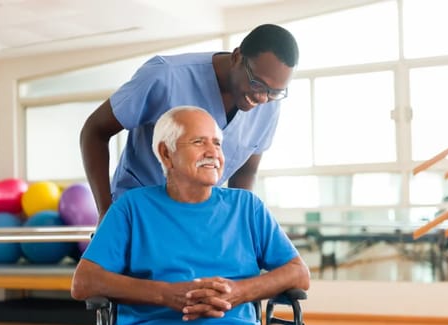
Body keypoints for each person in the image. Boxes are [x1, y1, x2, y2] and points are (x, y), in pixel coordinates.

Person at [71, 105, 310, 325]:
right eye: (199, 142)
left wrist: (240, 292)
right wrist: (165, 294)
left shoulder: (247, 207)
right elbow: (84, 282)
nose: (213, 152)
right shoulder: (131, 208)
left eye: (217, 143)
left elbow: (298, 273)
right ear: (166, 153)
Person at [80, 24, 299, 222]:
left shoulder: (269, 104)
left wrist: (238, 224)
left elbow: (246, 171)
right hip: (137, 216)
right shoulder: (165, 77)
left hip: (197, 222)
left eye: (275, 92)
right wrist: (106, 212)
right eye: (257, 83)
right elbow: (95, 131)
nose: (262, 98)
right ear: (237, 57)